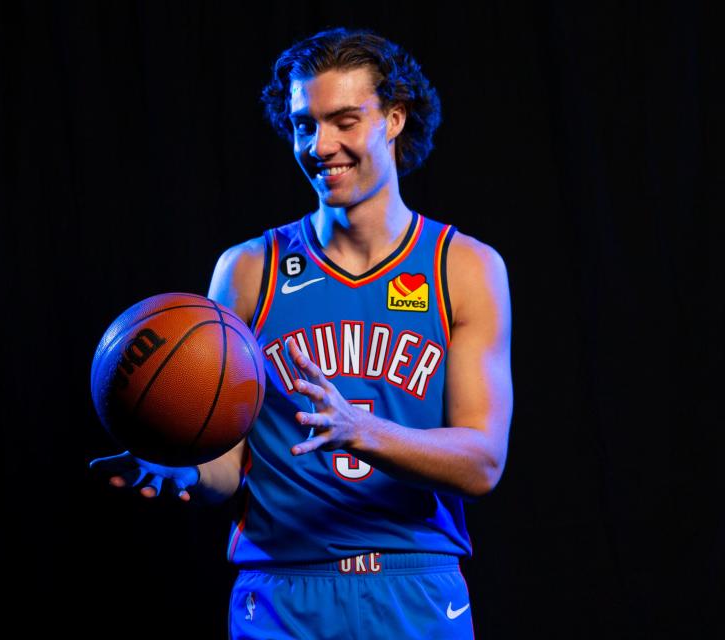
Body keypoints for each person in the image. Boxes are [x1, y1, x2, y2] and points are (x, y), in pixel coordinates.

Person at [89, 27, 512, 639]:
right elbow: (226, 467)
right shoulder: (249, 269)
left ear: (395, 118)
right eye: (303, 124)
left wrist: (363, 430)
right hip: (282, 594)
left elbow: (483, 462)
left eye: (344, 120)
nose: (321, 145)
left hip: (414, 586)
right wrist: (180, 466)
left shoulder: (463, 266)